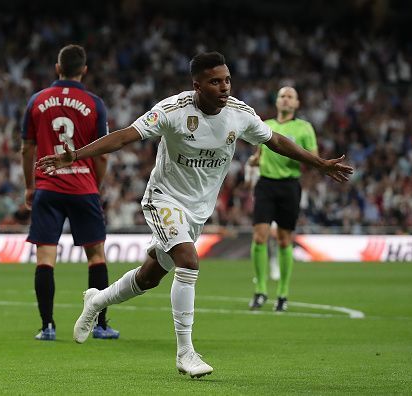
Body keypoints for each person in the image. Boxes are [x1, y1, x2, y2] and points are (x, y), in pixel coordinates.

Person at [37, 52, 352, 377]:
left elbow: (276, 141)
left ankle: (97, 301)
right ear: (197, 85)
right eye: (215, 81)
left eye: (227, 80)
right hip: (164, 199)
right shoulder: (173, 110)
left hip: (197, 210)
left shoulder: (239, 114)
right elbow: (124, 136)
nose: (224, 87)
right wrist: (74, 155)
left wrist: (319, 163)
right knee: (188, 261)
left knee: (150, 276)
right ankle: (185, 353)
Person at [21, 44, 119, 341]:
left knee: (45, 259)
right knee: (96, 256)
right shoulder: (94, 103)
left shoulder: (37, 101)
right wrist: (95, 184)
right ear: (84, 70)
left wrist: (29, 185)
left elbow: (27, 148)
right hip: (83, 188)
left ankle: (47, 326)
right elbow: (102, 154)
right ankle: (100, 325)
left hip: (48, 188)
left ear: (57, 68)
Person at [247, 87, 317, 312]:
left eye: (290, 97)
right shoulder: (266, 125)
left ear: (297, 103)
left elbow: (313, 158)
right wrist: (254, 161)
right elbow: (259, 155)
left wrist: (295, 157)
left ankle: (283, 294)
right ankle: (260, 291)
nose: (286, 100)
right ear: (277, 102)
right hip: (266, 184)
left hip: (289, 186)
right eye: (282, 96)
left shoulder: (304, 128)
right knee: (260, 237)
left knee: (285, 240)